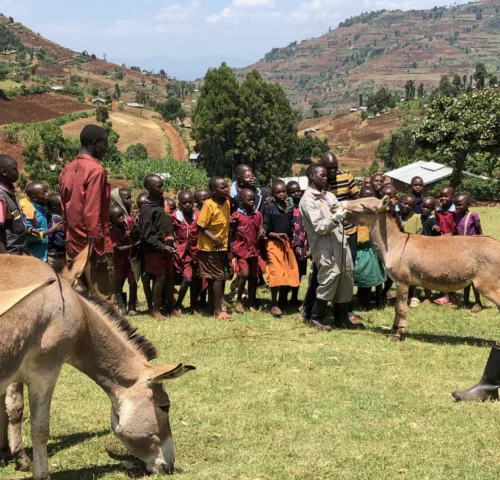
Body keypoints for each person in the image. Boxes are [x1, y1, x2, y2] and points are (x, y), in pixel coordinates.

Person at [300, 164, 363, 331]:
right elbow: (319, 227)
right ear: (312, 176)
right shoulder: (308, 200)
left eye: (326, 175)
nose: (326, 177)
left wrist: (348, 211)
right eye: (322, 175)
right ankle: (316, 318)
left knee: (346, 277)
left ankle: (341, 318)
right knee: (329, 278)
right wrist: (336, 218)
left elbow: (339, 209)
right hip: (324, 247)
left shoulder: (328, 196)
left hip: (341, 243)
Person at [60, 125, 114, 303]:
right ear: (94, 144)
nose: (106, 148)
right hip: (91, 247)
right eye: (105, 144)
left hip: (72, 245)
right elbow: (92, 212)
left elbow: (64, 209)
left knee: (76, 301)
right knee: (103, 303)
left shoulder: (66, 169)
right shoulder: (95, 170)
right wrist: (99, 249)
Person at [140, 174, 176, 320]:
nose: (162, 188)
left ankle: (171, 307)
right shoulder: (148, 209)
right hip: (154, 249)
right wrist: (161, 246)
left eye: (162, 185)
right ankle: (155, 310)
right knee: (159, 278)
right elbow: (147, 234)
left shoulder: (161, 202)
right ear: (149, 188)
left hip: (166, 247)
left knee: (168, 276)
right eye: (159, 186)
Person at [263, 180, 300, 317]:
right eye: (277, 192)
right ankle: (274, 305)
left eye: (283, 191)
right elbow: (266, 227)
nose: (281, 194)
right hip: (273, 244)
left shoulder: (290, 206)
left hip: (287, 244)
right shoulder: (270, 207)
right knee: (275, 273)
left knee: (288, 272)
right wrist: (273, 234)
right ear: (272, 194)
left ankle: (282, 302)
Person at [197, 177, 231, 320]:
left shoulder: (227, 203)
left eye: (226, 186)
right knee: (218, 276)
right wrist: (214, 238)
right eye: (222, 187)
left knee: (214, 277)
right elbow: (200, 226)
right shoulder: (208, 205)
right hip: (209, 247)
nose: (226, 189)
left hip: (222, 246)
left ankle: (211, 307)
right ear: (213, 190)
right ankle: (218, 310)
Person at [230, 188, 263, 313]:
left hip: (254, 250)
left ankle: (251, 302)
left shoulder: (257, 214)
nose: (252, 202)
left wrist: (261, 231)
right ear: (240, 200)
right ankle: (238, 301)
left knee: (254, 276)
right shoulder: (237, 216)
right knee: (244, 274)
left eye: (253, 199)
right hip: (241, 250)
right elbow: (231, 232)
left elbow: (260, 227)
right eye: (248, 199)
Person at [354, 186, 386, 310]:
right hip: (360, 248)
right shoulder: (355, 212)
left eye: (370, 196)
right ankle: (364, 303)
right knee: (364, 277)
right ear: (360, 197)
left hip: (373, 248)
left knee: (377, 276)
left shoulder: (376, 212)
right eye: (364, 196)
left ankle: (378, 301)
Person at [172, 191, 201, 312]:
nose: (188, 205)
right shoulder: (175, 216)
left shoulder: (199, 215)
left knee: (196, 280)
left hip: (197, 251)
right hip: (183, 252)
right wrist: (174, 244)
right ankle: (178, 304)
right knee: (187, 279)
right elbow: (169, 230)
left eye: (190, 202)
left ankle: (193, 305)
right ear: (180, 204)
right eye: (184, 203)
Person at [20, 182, 63, 262]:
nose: (47, 194)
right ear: (34, 197)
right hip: (34, 256)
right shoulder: (29, 211)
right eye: (43, 192)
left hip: (45, 254)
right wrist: (51, 231)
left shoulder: (44, 209)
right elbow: (26, 238)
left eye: (46, 191)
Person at [455, 194, 483, 312]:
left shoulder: (473, 216)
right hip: (462, 250)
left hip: (473, 250)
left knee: (473, 278)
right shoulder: (457, 216)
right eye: (456, 205)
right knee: (465, 277)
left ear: (468, 205)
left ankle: (478, 302)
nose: (457, 207)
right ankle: (465, 300)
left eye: (460, 205)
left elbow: (479, 232)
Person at [109, 205, 139, 316]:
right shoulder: (111, 230)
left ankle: (132, 305)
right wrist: (136, 243)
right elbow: (119, 249)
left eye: (122, 215)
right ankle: (121, 305)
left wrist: (134, 234)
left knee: (133, 281)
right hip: (118, 259)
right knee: (118, 282)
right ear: (111, 220)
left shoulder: (129, 221)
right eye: (118, 217)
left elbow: (137, 233)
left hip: (130, 258)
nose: (122, 218)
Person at [0, 155, 32, 254]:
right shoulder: (1, 197)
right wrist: (5, 259)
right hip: (10, 256)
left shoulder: (10, 193)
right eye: (15, 169)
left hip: (19, 252)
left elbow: (14, 220)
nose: (18, 172)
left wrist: (27, 229)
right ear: (4, 172)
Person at [434, 186, 458, 306]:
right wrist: (438, 228)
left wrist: (451, 234)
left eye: (446, 196)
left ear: (452, 197)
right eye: (441, 196)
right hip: (440, 242)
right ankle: (444, 292)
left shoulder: (455, 211)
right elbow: (439, 223)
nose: (443, 198)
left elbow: (458, 225)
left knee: (451, 268)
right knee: (441, 267)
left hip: (452, 242)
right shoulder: (437, 210)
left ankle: (450, 294)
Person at [287, 180, 308, 307]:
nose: (296, 194)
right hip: (291, 244)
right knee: (290, 271)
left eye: (298, 191)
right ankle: (284, 298)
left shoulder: (304, 205)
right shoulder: (287, 207)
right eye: (292, 192)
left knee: (300, 272)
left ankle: (294, 297)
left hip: (304, 244)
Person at [399, 195, 422, 308]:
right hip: (398, 248)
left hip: (411, 248)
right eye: (405, 203)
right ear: (401, 203)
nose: (407, 206)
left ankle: (414, 296)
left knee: (412, 272)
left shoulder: (416, 217)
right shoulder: (396, 216)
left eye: (410, 205)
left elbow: (419, 233)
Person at [420, 196, 440, 305]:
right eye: (423, 206)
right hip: (420, 249)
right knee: (423, 274)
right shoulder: (420, 218)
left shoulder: (432, 220)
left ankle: (432, 295)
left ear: (433, 208)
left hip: (430, 250)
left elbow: (436, 236)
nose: (425, 209)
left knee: (429, 274)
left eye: (428, 207)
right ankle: (427, 295)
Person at [47, 193, 67, 273]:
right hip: (55, 257)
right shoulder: (56, 220)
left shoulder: (59, 218)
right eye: (62, 204)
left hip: (58, 255)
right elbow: (58, 241)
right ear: (55, 208)